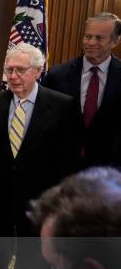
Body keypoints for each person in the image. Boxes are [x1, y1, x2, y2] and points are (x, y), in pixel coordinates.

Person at [0, 43, 80, 269]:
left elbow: (68, 158)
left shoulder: (62, 105)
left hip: (41, 197)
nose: (12, 76)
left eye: (20, 70)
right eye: (9, 70)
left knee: (32, 253)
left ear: (37, 71)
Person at [42, 12, 121, 168]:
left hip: (108, 172)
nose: (91, 42)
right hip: (61, 168)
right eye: (87, 36)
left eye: (99, 38)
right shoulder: (58, 75)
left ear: (115, 41)